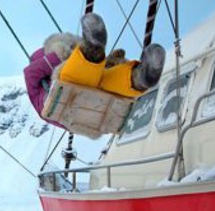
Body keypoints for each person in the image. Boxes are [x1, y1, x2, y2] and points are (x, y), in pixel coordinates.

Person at [23, 13, 166, 127]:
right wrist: (61, 55)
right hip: (69, 101)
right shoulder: (39, 93)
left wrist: (111, 62)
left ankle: (140, 78)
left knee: (107, 79)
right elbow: (30, 73)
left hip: (91, 97)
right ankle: (92, 49)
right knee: (72, 75)